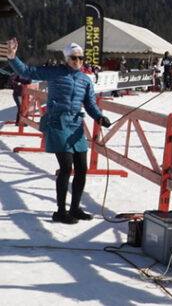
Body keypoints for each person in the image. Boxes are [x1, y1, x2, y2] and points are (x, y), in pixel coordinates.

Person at [2, 39, 111, 224]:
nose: (78, 61)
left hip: (76, 125)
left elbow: (90, 104)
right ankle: (60, 211)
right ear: (67, 58)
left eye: (80, 58)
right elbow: (27, 71)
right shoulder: (55, 73)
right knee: (67, 167)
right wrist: (13, 58)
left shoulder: (85, 80)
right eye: (74, 58)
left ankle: (75, 208)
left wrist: (99, 117)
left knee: (82, 168)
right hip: (57, 123)